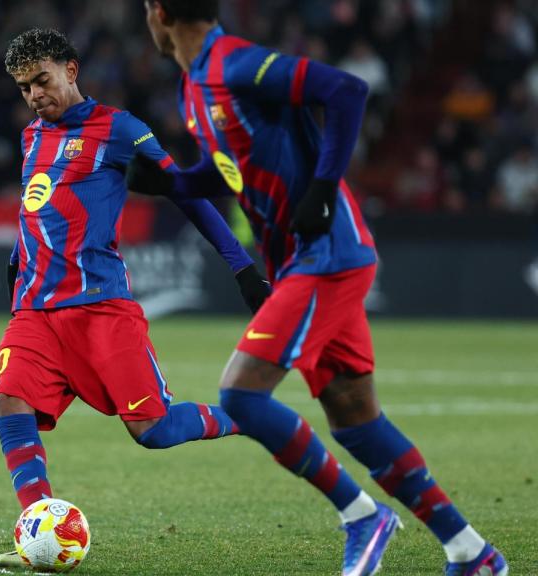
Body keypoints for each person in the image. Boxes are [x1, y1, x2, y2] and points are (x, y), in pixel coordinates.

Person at [131, 2, 508, 575]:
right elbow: (233, 167)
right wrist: (173, 182)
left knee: (240, 395)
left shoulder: (232, 62)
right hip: (300, 261)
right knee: (356, 418)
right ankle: (471, 553)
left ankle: (362, 516)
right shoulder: (194, 86)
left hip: (326, 254)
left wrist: (325, 187)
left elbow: (346, 91)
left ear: (158, 11)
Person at [0, 27, 271, 569]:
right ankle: (37, 528)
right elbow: (38, 213)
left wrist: (244, 270)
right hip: (35, 311)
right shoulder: (32, 137)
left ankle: (251, 416)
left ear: (70, 70)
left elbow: (185, 195)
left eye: (41, 80)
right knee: (9, 401)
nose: (34, 95)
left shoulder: (119, 130)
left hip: (100, 309)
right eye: (24, 87)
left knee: (154, 429)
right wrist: (15, 268)